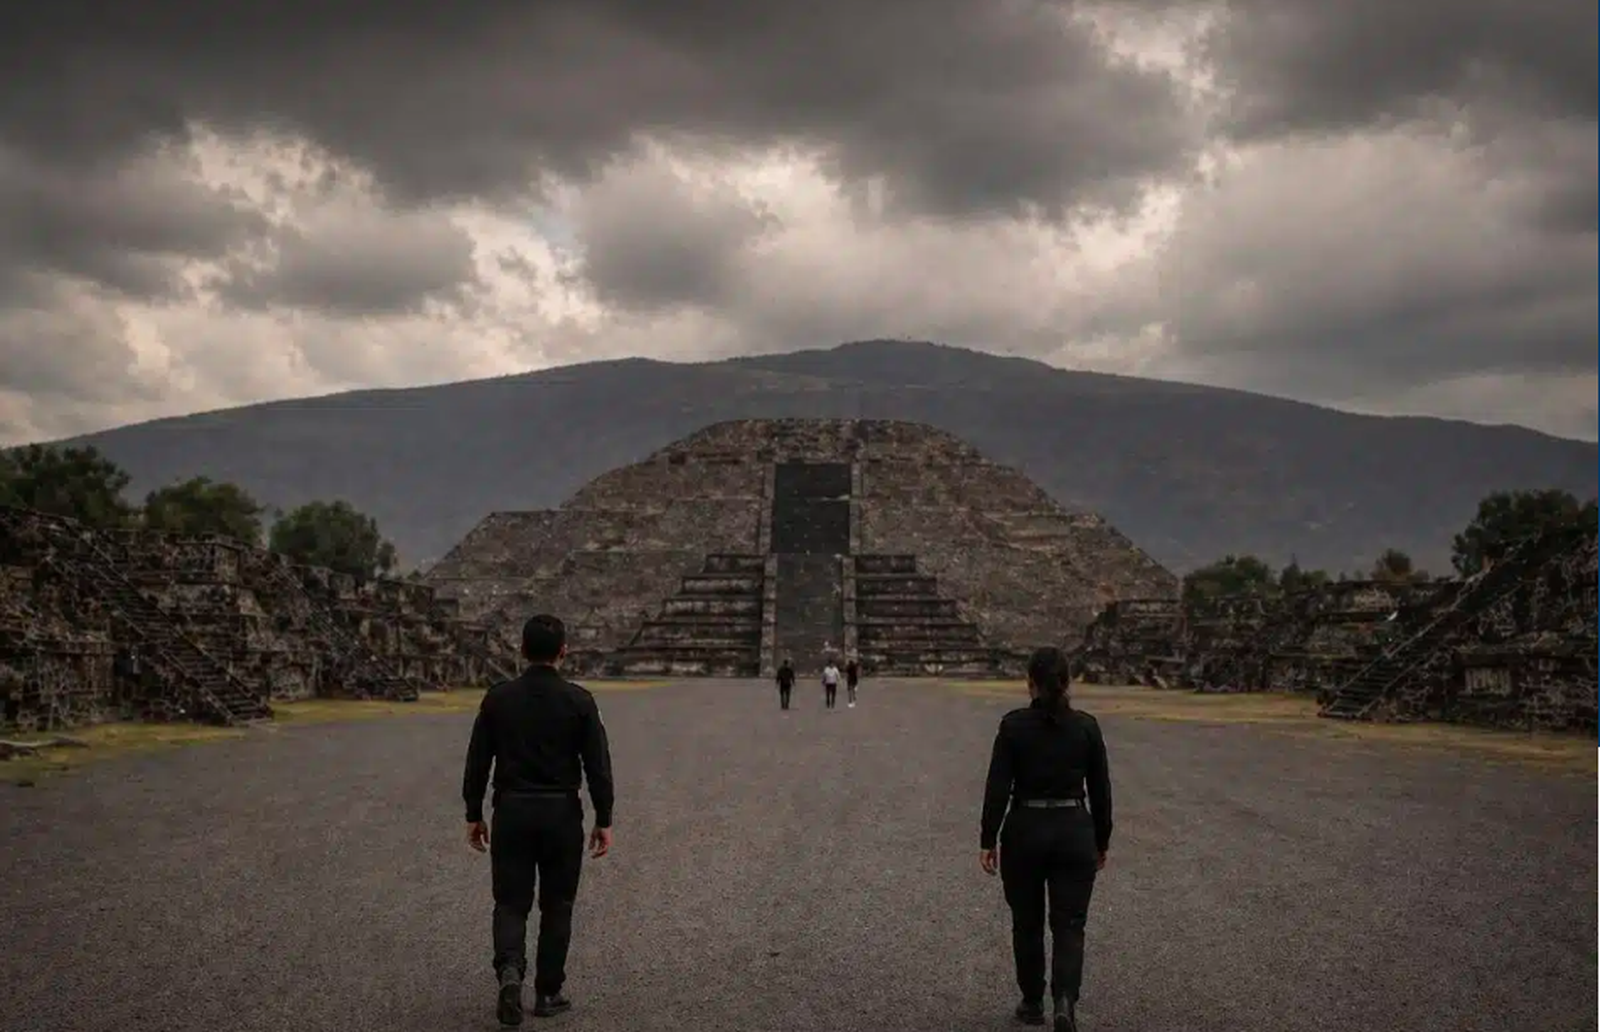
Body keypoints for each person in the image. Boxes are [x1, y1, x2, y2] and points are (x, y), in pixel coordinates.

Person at [462, 614, 616, 1027]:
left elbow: (477, 760)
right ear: (564, 651)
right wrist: (604, 817)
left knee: (511, 902)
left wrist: (473, 812)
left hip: (512, 809)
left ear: (522, 651)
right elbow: (598, 765)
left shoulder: (498, 698)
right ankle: (548, 992)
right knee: (557, 904)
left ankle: (510, 971)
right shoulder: (580, 701)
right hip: (561, 812)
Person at [978, 646, 1112, 1031]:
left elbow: (997, 787)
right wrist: (1101, 840)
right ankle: (1065, 1001)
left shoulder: (1013, 725)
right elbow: (1101, 792)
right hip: (1074, 828)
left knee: (1027, 921)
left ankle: (1032, 1001)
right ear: (1067, 682)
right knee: (1070, 924)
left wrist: (988, 838)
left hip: (1025, 828)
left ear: (1029, 683)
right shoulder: (1086, 726)